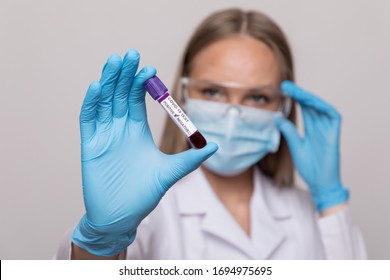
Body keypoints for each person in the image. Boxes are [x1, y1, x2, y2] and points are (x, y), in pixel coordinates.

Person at [55, 8, 367, 259]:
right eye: (214, 92)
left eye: (258, 97)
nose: (233, 115)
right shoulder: (145, 211)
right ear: (182, 94)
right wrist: (102, 242)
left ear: (282, 107)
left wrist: (331, 201)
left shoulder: (311, 215)